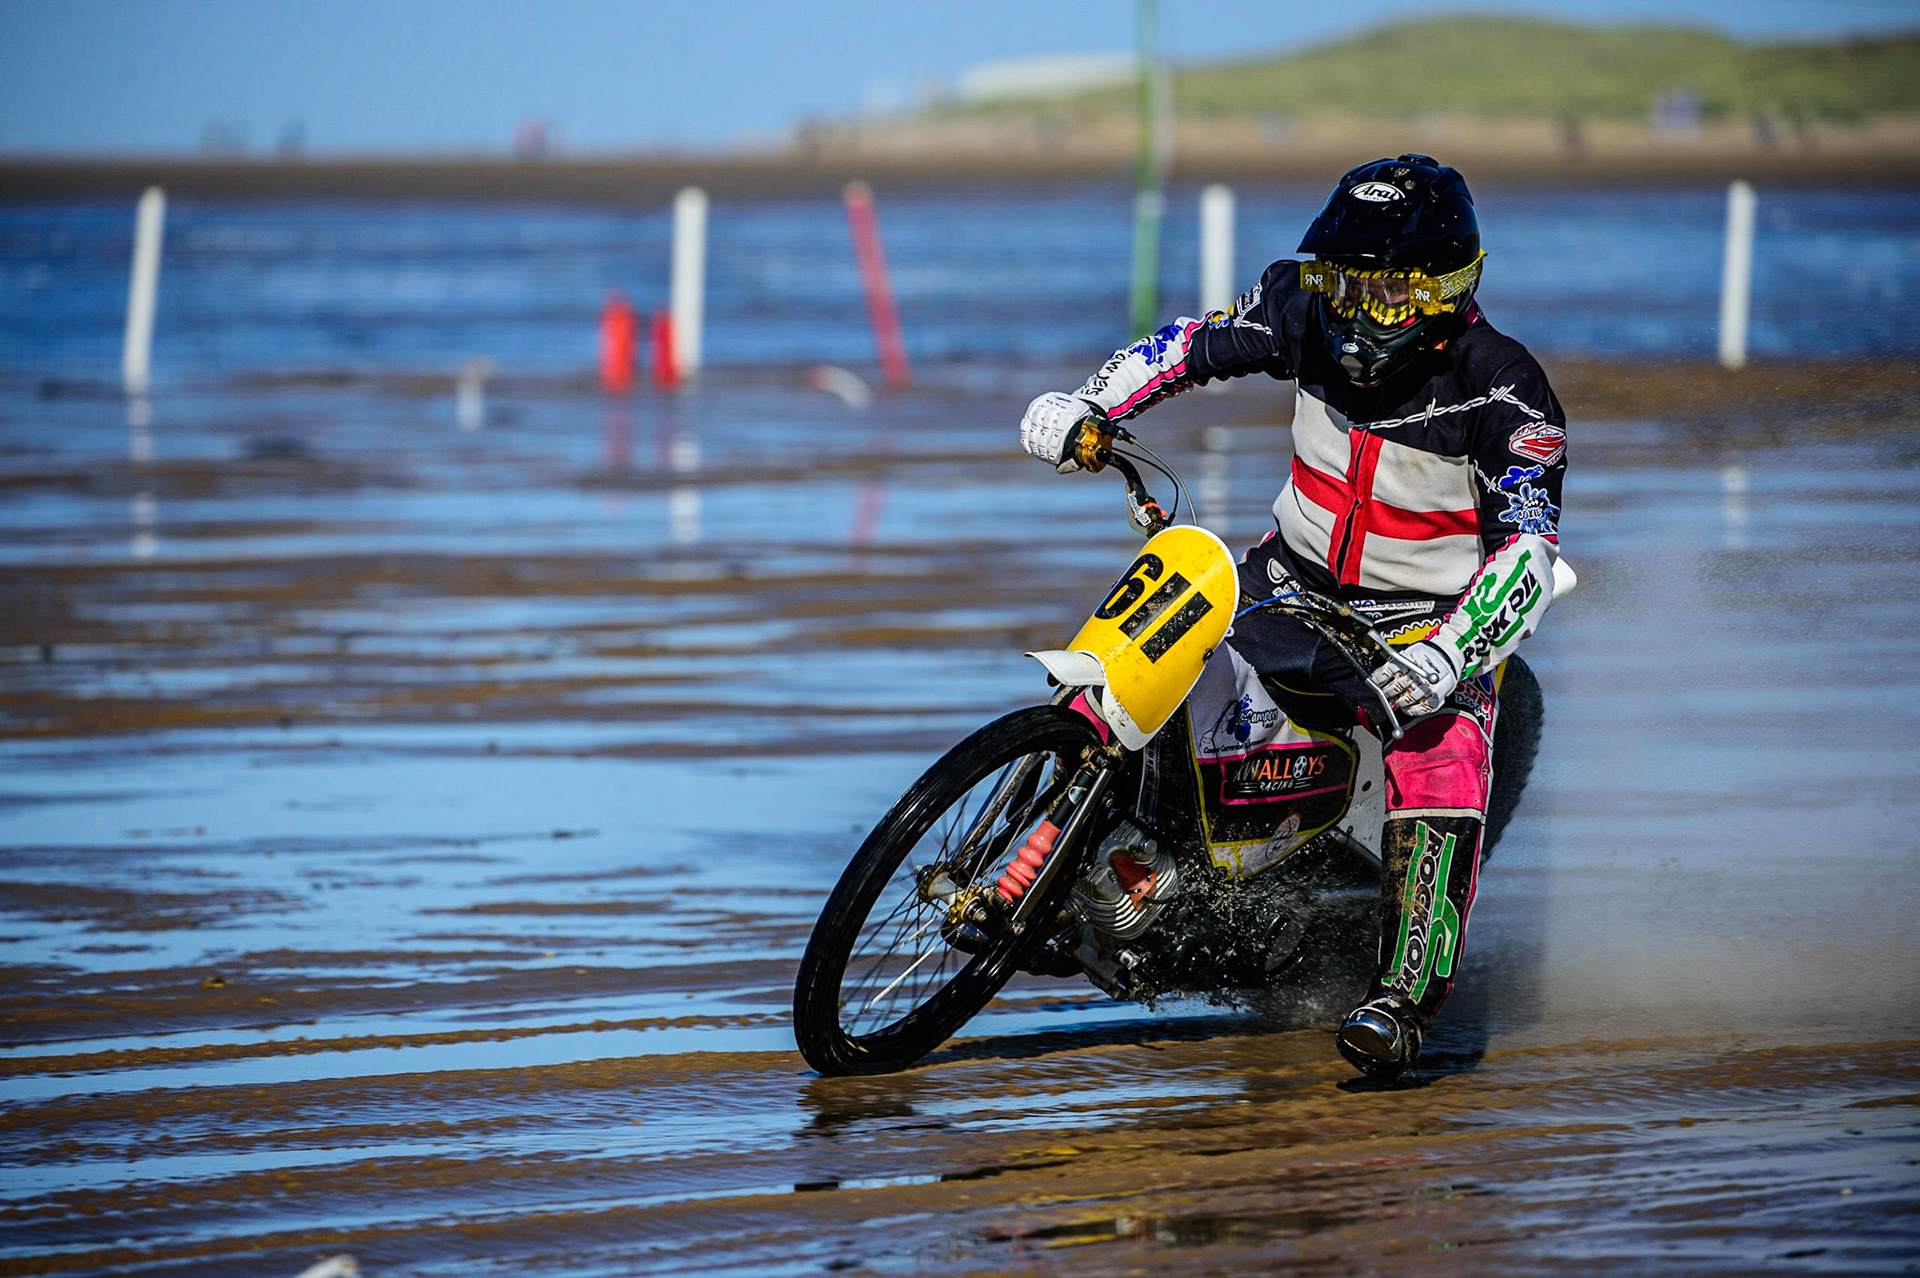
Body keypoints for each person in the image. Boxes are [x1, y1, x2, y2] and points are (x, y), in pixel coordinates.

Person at [1018, 155, 1565, 1080]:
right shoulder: (1296, 307)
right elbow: (1190, 345)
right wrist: (1089, 405)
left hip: (1424, 628)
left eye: (1388, 293)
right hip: (1285, 579)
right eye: (1345, 284)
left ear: (1448, 289)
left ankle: (1397, 1000)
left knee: (1444, 754)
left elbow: (1529, 558)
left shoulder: (1509, 393)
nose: (1358, 312)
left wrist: (1448, 657)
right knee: (1156, 639)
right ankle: (1037, 862)